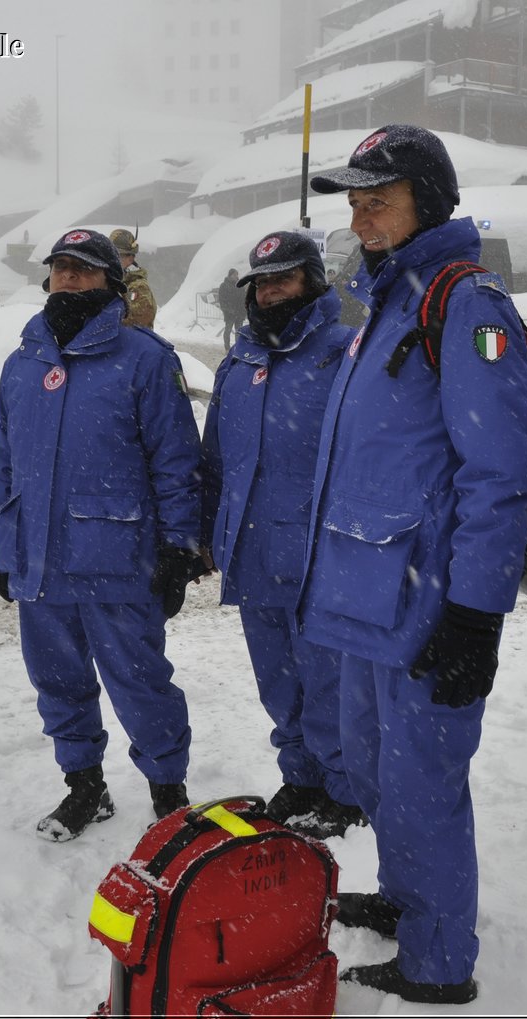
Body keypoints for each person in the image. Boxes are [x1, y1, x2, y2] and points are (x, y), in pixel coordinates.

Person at [302, 124, 527, 1005]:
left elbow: (502, 472)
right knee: (378, 767)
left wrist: (475, 613)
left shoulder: (462, 303)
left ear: (427, 205)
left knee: (423, 777)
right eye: (356, 204)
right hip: (372, 595)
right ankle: (408, 898)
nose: (363, 219)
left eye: (381, 201)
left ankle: (440, 961)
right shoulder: (392, 302)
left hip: (430, 600)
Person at [0, 228, 203, 841]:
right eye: (60, 269)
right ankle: (84, 786)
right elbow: (4, 460)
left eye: (83, 269)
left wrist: (178, 548)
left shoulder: (145, 359)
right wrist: (0, 542)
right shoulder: (23, 363)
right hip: (38, 559)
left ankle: (169, 794)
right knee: (56, 679)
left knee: (139, 679)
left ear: (110, 279)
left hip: (117, 557)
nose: (69, 279)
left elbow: (175, 462)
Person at [200, 231, 365, 840]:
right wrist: (203, 532)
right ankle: (299, 775)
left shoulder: (348, 352)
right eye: (262, 283)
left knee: (330, 680)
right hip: (251, 552)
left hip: (322, 555)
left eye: (283, 279)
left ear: (313, 282)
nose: (270, 292)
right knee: (277, 679)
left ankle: (345, 791)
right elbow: (214, 459)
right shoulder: (239, 364)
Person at [109, 228, 157, 329]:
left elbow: (139, 321)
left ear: (130, 258)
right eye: (110, 255)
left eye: (116, 255)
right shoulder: (114, 280)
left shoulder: (139, 287)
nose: (111, 259)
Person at [217, 268, 245, 353]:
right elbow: (222, 300)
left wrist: (244, 310)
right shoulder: (224, 286)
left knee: (239, 332)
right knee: (228, 330)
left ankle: (238, 348)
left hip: (239, 312)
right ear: (230, 275)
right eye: (234, 274)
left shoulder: (239, 285)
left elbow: (243, 298)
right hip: (230, 313)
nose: (236, 276)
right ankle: (227, 348)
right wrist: (227, 310)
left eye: (237, 274)